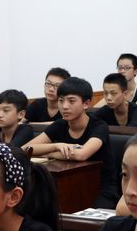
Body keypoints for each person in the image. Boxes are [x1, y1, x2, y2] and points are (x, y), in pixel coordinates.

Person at [23, 77, 117, 209]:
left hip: (101, 188)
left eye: (71, 101)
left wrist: (49, 154)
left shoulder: (99, 126)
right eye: (61, 100)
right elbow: (25, 149)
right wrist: (56, 146)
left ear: (86, 104)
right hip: (69, 185)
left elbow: (81, 155)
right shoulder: (60, 124)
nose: (64, 106)